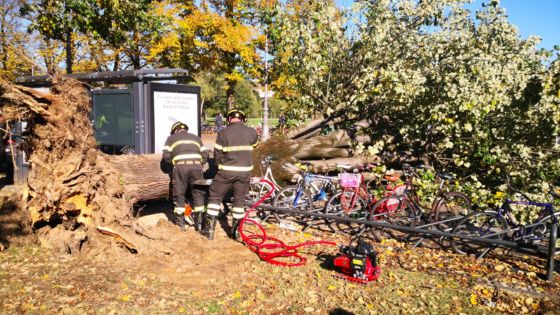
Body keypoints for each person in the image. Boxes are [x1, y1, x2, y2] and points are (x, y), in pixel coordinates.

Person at [203, 109, 258, 240]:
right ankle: (236, 232)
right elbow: (254, 145)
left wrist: (220, 166)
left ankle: (209, 231)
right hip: (244, 173)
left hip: (226, 172)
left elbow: (217, 155)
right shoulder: (251, 132)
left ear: (228, 120)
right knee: (239, 201)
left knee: (215, 199)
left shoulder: (223, 133)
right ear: (243, 120)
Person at [162, 121, 209, 231]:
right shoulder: (196, 138)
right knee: (198, 194)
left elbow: (166, 157)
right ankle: (199, 224)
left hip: (180, 168)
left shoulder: (170, 138)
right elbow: (205, 155)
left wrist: (175, 163)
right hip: (197, 168)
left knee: (179, 194)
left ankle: (181, 224)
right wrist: (198, 163)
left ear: (175, 130)